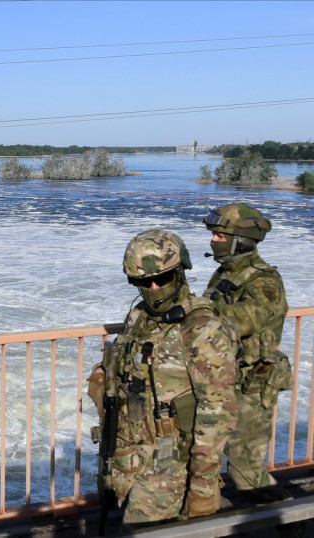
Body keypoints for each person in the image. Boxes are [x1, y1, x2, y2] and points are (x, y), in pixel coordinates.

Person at [87, 228, 238, 527]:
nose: (154, 286)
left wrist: (204, 486)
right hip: (131, 455)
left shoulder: (201, 327)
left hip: (171, 465)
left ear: (181, 271)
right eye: (143, 282)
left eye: (163, 278)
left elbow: (217, 413)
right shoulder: (140, 317)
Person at [202, 203, 294, 504]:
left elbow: (245, 319)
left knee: (246, 470)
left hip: (252, 384)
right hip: (222, 379)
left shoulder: (263, 280)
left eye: (219, 236)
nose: (213, 241)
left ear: (240, 240)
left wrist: (198, 313)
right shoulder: (224, 273)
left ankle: (288, 521)